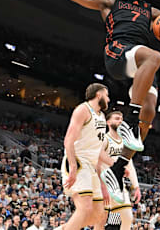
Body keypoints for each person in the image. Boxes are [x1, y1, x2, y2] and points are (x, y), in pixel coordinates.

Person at [66, 0, 160, 191]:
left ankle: (119, 167)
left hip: (141, 63)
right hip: (118, 52)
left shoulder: (150, 11)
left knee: (149, 111)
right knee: (155, 56)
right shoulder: (111, 1)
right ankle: (130, 119)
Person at [57, 83, 111, 230]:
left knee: (100, 215)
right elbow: (68, 140)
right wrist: (73, 166)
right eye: (107, 95)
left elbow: (98, 150)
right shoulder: (83, 109)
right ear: (98, 94)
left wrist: (117, 164)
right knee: (85, 208)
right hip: (79, 161)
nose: (109, 99)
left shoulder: (102, 116)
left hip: (92, 166)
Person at [97, 111, 141, 230]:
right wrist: (102, 186)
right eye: (117, 118)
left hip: (118, 186)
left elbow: (130, 166)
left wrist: (136, 186)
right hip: (103, 184)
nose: (120, 121)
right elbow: (97, 164)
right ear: (108, 122)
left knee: (127, 218)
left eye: (121, 119)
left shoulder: (125, 143)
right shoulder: (104, 139)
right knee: (100, 221)